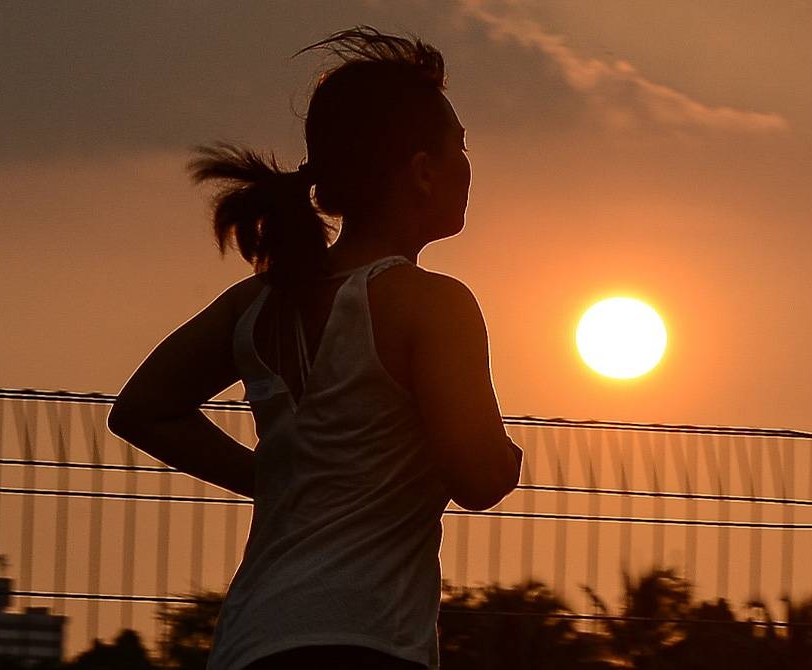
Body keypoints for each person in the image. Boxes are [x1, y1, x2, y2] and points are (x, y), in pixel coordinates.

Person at [107, 26, 523, 670]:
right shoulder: (433, 304)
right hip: (366, 639)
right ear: (421, 171)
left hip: (250, 642)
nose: (469, 167)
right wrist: (504, 456)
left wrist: (273, 480)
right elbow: (479, 478)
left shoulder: (256, 303)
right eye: (460, 147)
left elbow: (142, 409)